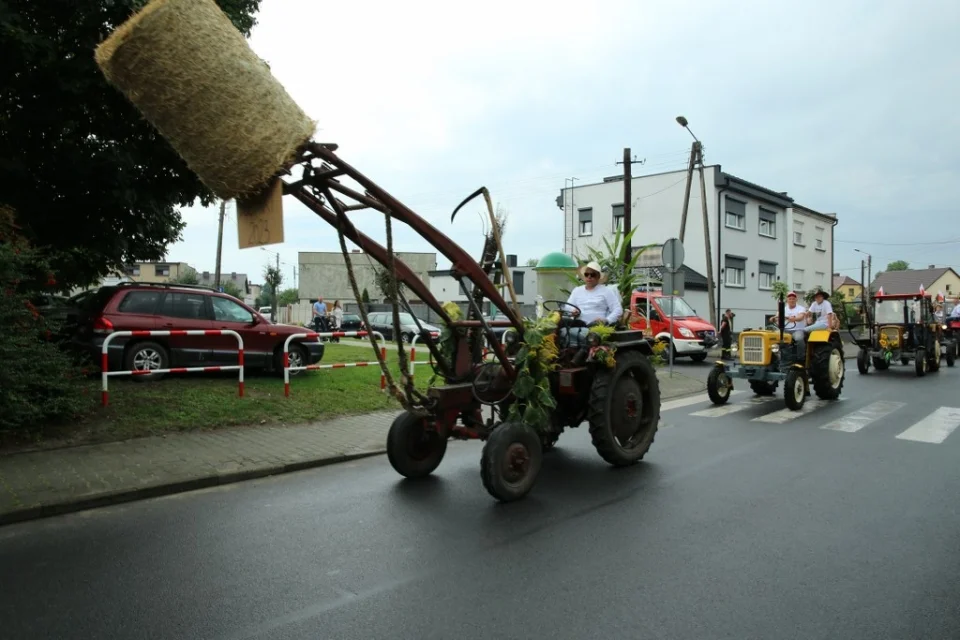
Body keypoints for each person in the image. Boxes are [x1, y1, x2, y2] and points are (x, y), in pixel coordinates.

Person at [562, 261, 622, 348]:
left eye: (592, 275)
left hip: (596, 328)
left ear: (598, 277)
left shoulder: (606, 291)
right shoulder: (577, 290)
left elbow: (618, 309)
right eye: (587, 274)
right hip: (579, 324)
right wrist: (573, 311)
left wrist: (606, 320)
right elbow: (568, 306)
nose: (589, 277)